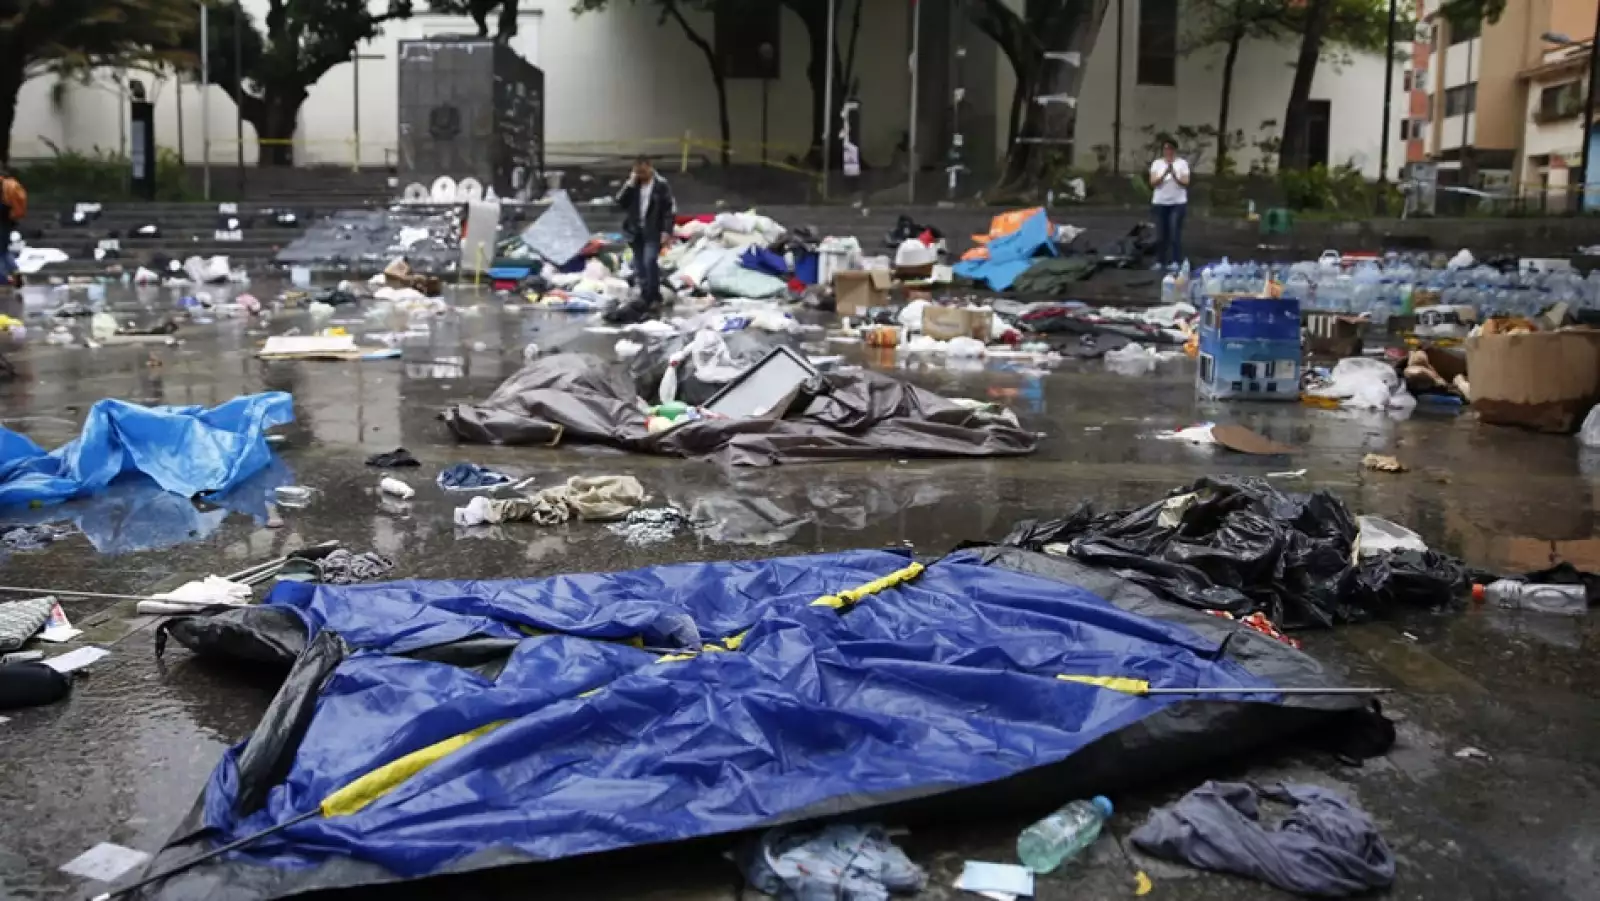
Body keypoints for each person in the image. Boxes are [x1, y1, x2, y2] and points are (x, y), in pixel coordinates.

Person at [614, 156, 675, 310]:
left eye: (643, 172)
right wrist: (629, 184)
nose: (640, 175)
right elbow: (620, 201)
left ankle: (654, 296)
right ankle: (645, 296)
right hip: (635, 231)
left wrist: (666, 231)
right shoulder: (634, 185)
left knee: (650, 261)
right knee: (640, 266)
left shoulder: (661, 185)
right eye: (637, 172)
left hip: (653, 230)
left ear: (649, 167)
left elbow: (668, 210)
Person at [1148, 140, 1189, 270]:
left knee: (1174, 232)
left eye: (1170, 149)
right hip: (1160, 203)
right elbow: (1153, 182)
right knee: (1160, 234)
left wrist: (1175, 175)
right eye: (1165, 149)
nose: (1168, 151)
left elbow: (1185, 182)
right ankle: (1160, 261)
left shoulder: (1182, 163)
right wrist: (1165, 173)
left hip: (1177, 203)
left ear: (1175, 150)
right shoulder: (1157, 164)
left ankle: (1176, 261)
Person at [0, 168, 24, 288]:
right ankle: (15, 270)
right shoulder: (11, 185)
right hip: (8, 220)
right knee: (4, 250)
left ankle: (2, 278)